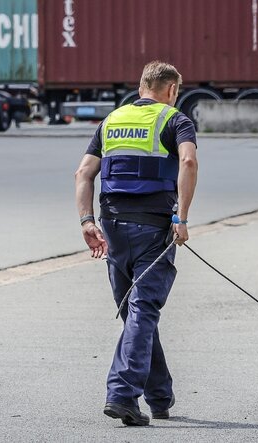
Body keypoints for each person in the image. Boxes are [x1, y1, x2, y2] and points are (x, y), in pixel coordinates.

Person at [75, 60, 198, 426]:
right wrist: (183, 218)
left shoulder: (111, 121)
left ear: (141, 85)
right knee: (142, 312)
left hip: (112, 230)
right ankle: (122, 393)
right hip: (153, 231)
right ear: (172, 90)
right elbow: (188, 162)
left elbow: (83, 172)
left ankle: (160, 396)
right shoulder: (176, 120)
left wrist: (86, 221)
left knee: (136, 314)